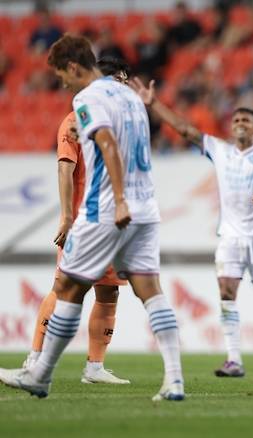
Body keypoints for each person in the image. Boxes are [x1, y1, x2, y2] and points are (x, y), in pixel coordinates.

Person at [0, 35, 184, 401]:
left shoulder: (87, 98)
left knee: (67, 287)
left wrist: (117, 199)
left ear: (73, 67)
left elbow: (107, 143)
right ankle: (174, 380)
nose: (62, 84)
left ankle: (39, 373)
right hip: (146, 208)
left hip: (105, 209)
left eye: (61, 76)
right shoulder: (131, 96)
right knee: (151, 290)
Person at [130, 68, 253, 379]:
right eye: (236, 121)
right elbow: (184, 128)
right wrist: (153, 104)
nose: (240, 124)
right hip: (231, 235)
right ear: (231, 128)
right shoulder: (219, 151)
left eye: (247, 121)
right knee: (226, 290)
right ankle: (234, 360)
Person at [21, 58, 133, 386]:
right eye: (117, 80)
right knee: (65, 287)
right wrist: (67, 216)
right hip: (85, 222)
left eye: (125, 80)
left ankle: (95, 367)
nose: (122, 86)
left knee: (109, 292)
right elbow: (64, 168)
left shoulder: (123, 124)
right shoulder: (76, 120)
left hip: (114, 223)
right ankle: (35, 357)